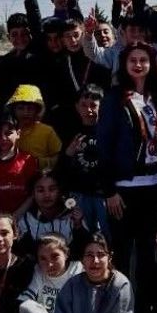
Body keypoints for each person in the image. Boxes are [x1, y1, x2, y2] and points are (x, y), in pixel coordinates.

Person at [97, 42, 157, 287]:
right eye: (133, 60)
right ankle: (122, 304)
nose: (138, 65)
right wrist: (109, 190)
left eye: (143, 60)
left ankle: (146, 306)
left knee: (149, 249)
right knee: (123, 251)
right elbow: (104, 145)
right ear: (124, 65)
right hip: (123, 189)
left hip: (154, 186)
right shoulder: (114, 98)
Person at [55, 85, 109, 238]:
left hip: (103, 194)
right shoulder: (70, 133)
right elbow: (61, 167)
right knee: (82, 233)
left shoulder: (108, 132)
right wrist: (68, 153)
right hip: (79, 193)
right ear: (77, 107)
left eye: (93, 105)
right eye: (84, 105)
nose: (89, 110)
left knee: (107, 234)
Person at [17, 234, 83, 313]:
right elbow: (25, 301)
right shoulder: (39, 271)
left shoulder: (76, 269)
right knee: (24, 307)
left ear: (66, 254)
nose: (49, 264)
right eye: (43, 259)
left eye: (55, 256)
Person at [17, 171, 90, 248]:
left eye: (52, 189)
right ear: (33, 194)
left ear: (60, 191)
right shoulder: (26, 220)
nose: (47, 195)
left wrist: (78, 226)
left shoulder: (72, 217)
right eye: (40, 190)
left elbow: (85, 247)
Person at [0, 112, 39, 217]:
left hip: (24, 217)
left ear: (18, 133)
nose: (3, 138)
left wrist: (14, 217)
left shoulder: (28, 160)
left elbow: (33, 194)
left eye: (8, 133)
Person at [6, 84, 63, 171]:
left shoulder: (47, 131)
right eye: (21, 108)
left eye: (30, 109)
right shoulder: (9, 131)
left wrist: (38, 162)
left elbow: (60, 158)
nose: (25, 113)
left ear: (37, 110)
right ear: (14, 110)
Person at [0, 13, 42, 110]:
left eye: (24, 33)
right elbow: (1, 97)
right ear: (8, 37)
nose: (20, 38)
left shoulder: (39, 60)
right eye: (14, 34)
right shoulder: (4, 64)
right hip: (11, 114)